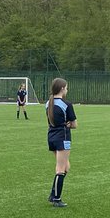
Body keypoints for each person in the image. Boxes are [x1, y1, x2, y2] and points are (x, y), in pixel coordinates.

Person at [46, 76, 77, 206]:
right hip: (62, 137)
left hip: (51, 136)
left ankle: (53, 194)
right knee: (61, 168)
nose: (67, 90)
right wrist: (68, 124)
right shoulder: (66, 104)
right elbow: (74, 124)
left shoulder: (48, 103)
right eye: (67, 88)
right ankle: (56, 199)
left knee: (66, 167)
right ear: (62, 88)